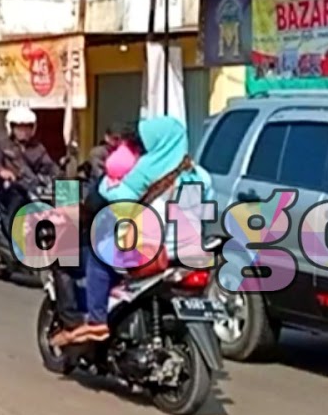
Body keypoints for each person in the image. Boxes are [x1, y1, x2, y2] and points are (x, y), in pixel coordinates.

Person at [55, 115, 214, 346]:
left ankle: (97, 322)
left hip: (153, 253)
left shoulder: (143, 172)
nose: (137, 148)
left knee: (97, 259)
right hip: (187, 253)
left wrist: (108, 184)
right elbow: (207, 211)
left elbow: (114, 204)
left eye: (142, 143)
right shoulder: (200, 176)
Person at [0, 107, 57, 219]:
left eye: (27, 127)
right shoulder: (4, 146)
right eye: (20, 127)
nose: (24, 131)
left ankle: (66, 233)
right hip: (12, 187)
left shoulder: (38, 148)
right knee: (17, 200)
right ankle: (14, 232)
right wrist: (3, 171)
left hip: (34, 186)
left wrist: (61, 175)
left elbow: (49, 166)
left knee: (67, 197)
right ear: (11, 128)